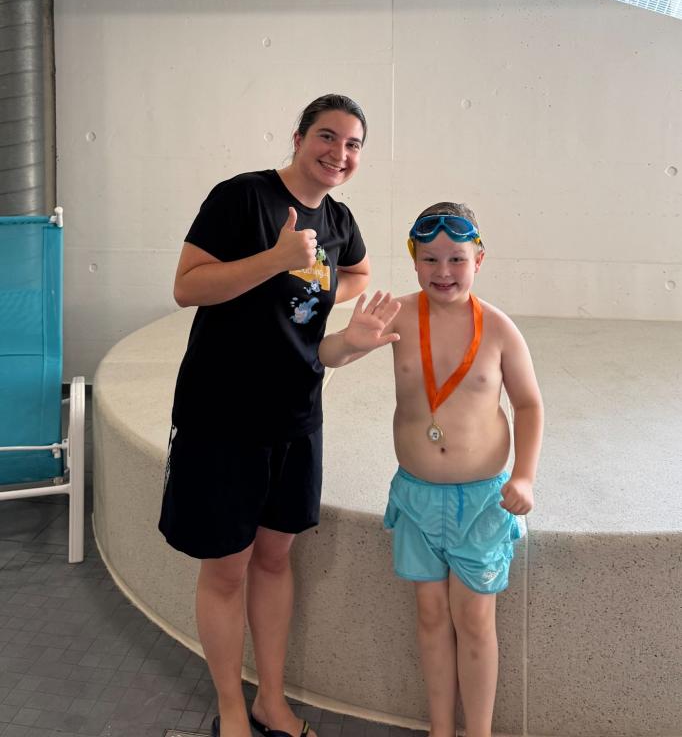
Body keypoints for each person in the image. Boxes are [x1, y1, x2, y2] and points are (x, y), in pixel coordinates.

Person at [159, 94, 376, 737]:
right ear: (299, 137)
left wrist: (320, 291)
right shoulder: (243, 197)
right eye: (327, 136)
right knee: (227, 567)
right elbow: (187, 287)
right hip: (221, 415)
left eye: (353, 144)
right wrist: (277, 262)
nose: (339, 153)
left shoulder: (338, 219)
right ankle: (231, 707)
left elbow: (358, 270)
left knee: (276, 558)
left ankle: (270, 701)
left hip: (296, 414)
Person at [319, 201, 544, 737]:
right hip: (417, 497)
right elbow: (327, 356)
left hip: (482, 501)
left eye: (457, 259)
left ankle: (479, 732)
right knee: (429, 617)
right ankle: (440, 729)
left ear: (478, 260)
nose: (444, 271)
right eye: (431, 259)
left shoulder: (498, 329)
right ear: (414, 260)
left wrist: (524, 475)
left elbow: (529, 405)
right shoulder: (396, 314)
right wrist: (349, 341)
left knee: (475, 620)